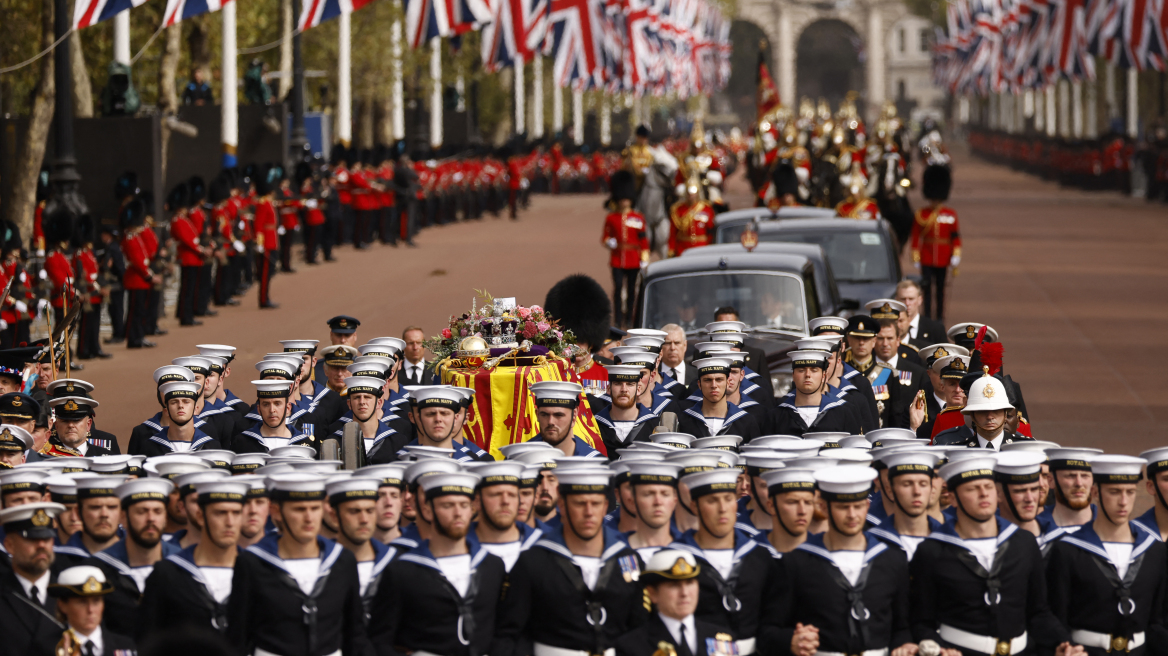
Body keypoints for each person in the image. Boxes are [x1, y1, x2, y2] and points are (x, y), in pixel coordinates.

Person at [910, 456, 1078, 656]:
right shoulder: (932, 550)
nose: (983, 495)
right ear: (953, 498)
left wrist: (1063, 643)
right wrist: (938, 649)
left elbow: (1038, 612)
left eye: (988, 487)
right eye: (973, 489)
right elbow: (921, 621)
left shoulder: (1023, 542)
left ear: (997, 493)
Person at [495, 467, 647, 656]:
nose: (589, 512)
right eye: (580, 504)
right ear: (563, 506)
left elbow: (641, 629)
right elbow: (509, 634)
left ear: (606, 505)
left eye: (596, 503)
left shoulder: (628, 559)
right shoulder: (532, 562)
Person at [226, 473, 369, 656]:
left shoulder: (342, 560)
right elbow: (237, 637)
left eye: (315, 508)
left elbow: (354, 632)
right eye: (300, 509)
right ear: (276, 511)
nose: (309, 518)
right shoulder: (252, 563)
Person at [778, 466, 913, 656]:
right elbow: (769, 629)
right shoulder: (797, 562)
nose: (852, 515)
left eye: (858, 506)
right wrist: (791, 641)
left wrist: (904, 645)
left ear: (867, 506)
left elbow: (902, 627)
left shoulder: (892, 558)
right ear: (824, 507)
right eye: (843, 507)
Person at [369, 470, 506, 655]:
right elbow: (380, 639)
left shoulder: (492, 565)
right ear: (427, 510)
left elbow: (505, 629)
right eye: (448, 505)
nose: (458, 513)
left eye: (464, 505)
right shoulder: (402, 571)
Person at [1046, 455, 1167, 656]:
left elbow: (1158, 619)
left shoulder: (1154, 550)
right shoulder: (1067, 550)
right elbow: (1055, 615)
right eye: (1114, 492)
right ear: (1094, 492)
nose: (1123, 502)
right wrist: (1063, 647)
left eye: (1130, 492)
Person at [667, 468, 779, 655]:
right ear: (694, 506)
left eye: (728, 499)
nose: (722, 508)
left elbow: (773, 621)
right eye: (712, 501)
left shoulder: (760, 556)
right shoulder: (673, 557)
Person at [137, 478, 248, 639]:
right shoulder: (168, 573)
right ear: (201, 517)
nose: (230, 522)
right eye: (220, 513)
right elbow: (148, 638)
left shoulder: (257, 572)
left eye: (236, 513)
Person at [87, 477, 180, 637]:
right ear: (123, 517)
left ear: (165, 516)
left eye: (157, 511)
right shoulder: (98, 570)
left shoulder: (182, 565)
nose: (150, 518)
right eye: (141, 511)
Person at [615, 549, 738, 656]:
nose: (684, 593)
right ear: (652, 593)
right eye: (674, 585)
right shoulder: (632, 646)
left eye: (690, 583)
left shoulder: (722, 638)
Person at [323, 476, 396, 616]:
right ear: (334, 516)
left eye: (370, 511)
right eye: (354, 511)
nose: (364, 520)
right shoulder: (322, 566)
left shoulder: (395, 562)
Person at [868, 451, 942, 560]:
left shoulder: (950, 540)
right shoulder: (871, 544)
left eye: (923, 484)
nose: (917, 491)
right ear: (890, 490)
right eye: (907, 484)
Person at [468, 461, 540, 571]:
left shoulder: (542, 546)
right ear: (476, 502)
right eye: (496, 495)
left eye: (512, 495)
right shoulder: (457, 549)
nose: (505, 501)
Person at [49, 565, 137, 655]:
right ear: (62, 605)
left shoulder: (125, 646)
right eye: (82, 602)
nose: (90, 610)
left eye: (96, 601)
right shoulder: (47, 647)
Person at [771, 350, 862, 436]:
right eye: (801, 370)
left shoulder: (843, 414)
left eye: (814, 370)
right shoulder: (776, 415)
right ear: (793, 376)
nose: (807, 374)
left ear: (824, 377)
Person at [911, 164, 961, 321]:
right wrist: (916, 256)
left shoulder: (950, 214)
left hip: (943, 257)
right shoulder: (922, 214)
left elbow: (955, 237)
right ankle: (926, 316)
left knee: (940, 289)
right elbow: (915, 237)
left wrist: (956, 254)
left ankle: (939, 316)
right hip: (926, 256)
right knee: (926, 289)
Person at [933, 372, 1032, 449]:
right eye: (982, 411)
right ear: (972, 415)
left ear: (1005, 413)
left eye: (996, 410)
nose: (990, 417)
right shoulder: (955, 450)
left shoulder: (1026, 447)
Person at [603, 170, 650, 328]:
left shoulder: (638, 218)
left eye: (627, 199)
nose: (624, 202)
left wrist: (644, 258)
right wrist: (608, 242)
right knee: (617, 289)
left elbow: (643, 240)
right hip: (617, 258)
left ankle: (629, 318)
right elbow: (604, 237)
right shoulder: (611, 218)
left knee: (631, 291)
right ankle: (617, 319)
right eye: (622, 199)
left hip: (633, 258)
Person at [0, 501, 67, 613]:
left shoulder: (69, 594)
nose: (41, 545)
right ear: (9, 545)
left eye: (47, 538)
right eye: (32, 539)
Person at [843, 315, 906, 429]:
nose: (861, 343)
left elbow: (895, 416)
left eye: (866, 338)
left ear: (874, 341)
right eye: (857, 338)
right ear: (849, 340)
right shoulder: (841, 371)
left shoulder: (888, 373)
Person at [675, 357, 761, 440]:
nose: (714, 385)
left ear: (727, 383)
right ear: (699, 384)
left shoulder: (746, 421)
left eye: (719, 380)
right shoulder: (684, 421)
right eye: (707, 380)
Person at [397, 385, 487, 462]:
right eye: (430, 414)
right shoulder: (401, 463)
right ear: (418, 418)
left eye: (445, 414)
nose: (438, 419)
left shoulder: (473, 464)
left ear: (456, 418)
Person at [54, 476, 127, 569]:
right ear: (78, 512)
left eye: (112, 507)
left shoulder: (136, 556)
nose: (104, 514)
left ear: (122, 513)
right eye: (95, 507)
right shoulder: (56, 562)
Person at [133, 381, 222, 455]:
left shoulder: (211, 447)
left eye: (186, 401)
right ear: (166, 410)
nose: (180, 406)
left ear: (196, 409)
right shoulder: (149, 447)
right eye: (174, 402)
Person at [594, 364, 660, 455]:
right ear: (608, 389)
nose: (624, 389)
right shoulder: (593, 425)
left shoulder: (655, 425)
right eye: (618, 383)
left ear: (638, 390)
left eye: (630, 384)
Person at [624, 461, 682, 562]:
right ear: (632, 501)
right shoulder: (613, 552)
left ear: (675, 501)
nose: (658, 502)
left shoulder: (690, 550)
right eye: (648, 494)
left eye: (665, 494)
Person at [529, 380, 605, 458]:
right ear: (537, 414)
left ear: (574, 416)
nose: (550, 422)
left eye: (558, 415)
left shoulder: (594, 463)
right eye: (544, 415)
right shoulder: (521, 458)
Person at [1038, 448, 1099, 536]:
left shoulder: (1111, 528)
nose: (1079, 483)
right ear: (1051, 481)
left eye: (1085, 476)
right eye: (1070, 476)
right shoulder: (1033, 530)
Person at [761, 468, 816, 554]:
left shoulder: (824, 555)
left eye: (808, 503)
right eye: (792, 502)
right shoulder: (748, 553)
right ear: (771, 506)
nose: (802, 511)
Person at [993, 451, 1048, 537]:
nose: (1029, 499)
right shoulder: (987, 543)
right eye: (1020, 491)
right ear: (997, 494)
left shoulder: (1058, 538)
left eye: (1034, 489)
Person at [895, 280, 946, 347]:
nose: (907, 303)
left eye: (911, 299)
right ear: (896, 300)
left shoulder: (936, 329)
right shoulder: (891, 329)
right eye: (903, 299)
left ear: (920, 300)